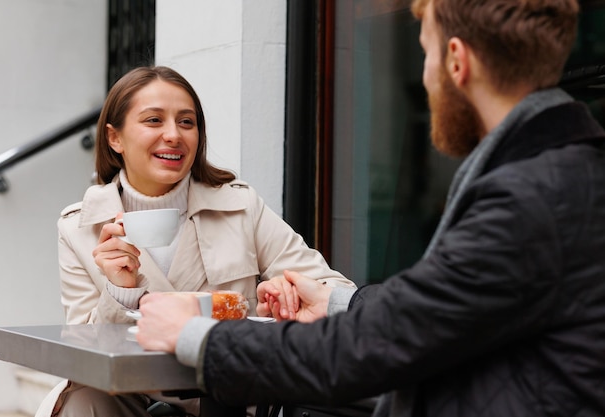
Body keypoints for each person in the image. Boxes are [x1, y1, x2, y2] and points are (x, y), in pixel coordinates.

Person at [135, 0, 605, 416]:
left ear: (457, 61)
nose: (425, 77)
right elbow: (434, 311)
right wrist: (339, 301)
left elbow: (364, 351)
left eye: (427, 54)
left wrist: (198, 335)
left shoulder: (530, 195)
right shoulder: (558, 173)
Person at [35, 65, 355, 417]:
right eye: (154, 120)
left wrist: (290, 294)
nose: (174, 135)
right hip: (132, 397)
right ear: (115, 138)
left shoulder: (239, 206)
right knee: (84, 404)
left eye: (186, 122)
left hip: (227, 395)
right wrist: (120, 291)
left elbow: (332, 288)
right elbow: (82, 353)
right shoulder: (78, 227)